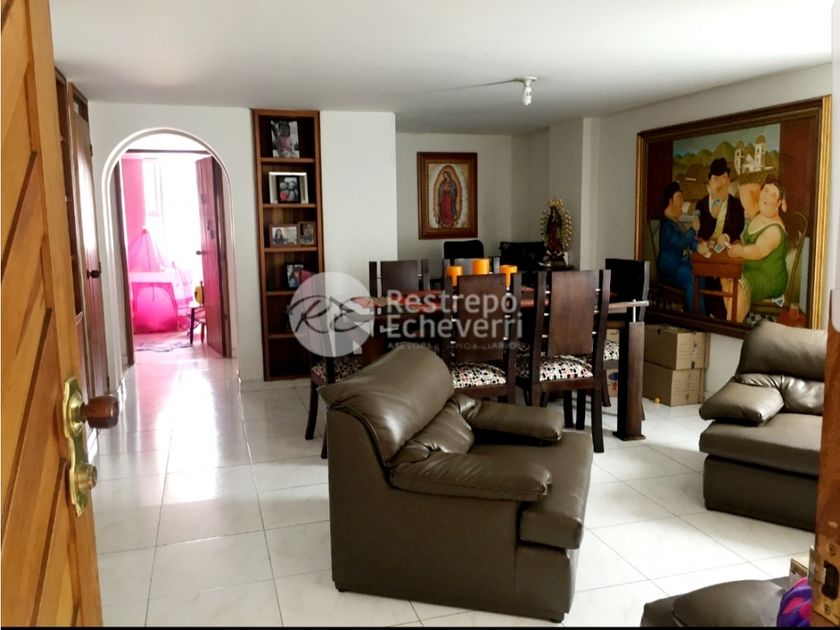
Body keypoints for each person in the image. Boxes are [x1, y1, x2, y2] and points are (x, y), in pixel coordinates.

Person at [724, 175, 788, 322]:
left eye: (773, 195)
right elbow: (744, 190)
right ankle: (732, 320)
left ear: (779, 203)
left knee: (737, 286)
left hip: (769, 278)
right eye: (765, 191)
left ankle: (732, 324)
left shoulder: (774, 229)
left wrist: (740, 251)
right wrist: (765, 189)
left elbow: (759, 250)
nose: (767, 196)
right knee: (724, 275)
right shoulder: (758, 212)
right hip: (752, 270)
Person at [694, 157, 746, 317]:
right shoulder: (701, 204)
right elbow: (701, 233)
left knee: (727, 279)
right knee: (705, 281)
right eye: (716, 179)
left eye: (724, 178)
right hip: (706, 252)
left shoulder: (736, 204)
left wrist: (727, 236)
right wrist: (713, 216)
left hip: (725, 253)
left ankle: (724, 314)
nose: (720, 183)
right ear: (709, 182)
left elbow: (739, 225)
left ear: (729, 180)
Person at [656, 181, 701, 312]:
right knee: (692, 278)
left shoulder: (675, 222)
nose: (682, 201)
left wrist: (698, 246)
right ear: (670, 201)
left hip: (680, 263)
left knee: (701, 273)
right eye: (679, 197)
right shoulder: (667, 225)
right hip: (670, 269)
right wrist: (693, 229)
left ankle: (698, 312)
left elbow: (687, 241)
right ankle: (695, 317)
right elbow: (681, 242)